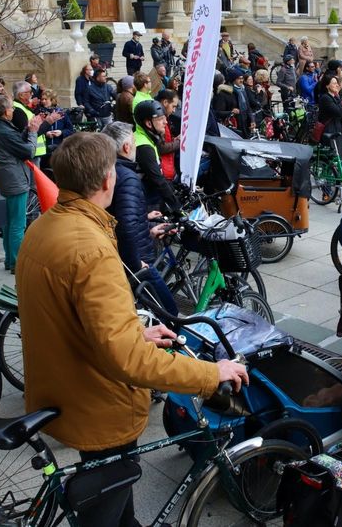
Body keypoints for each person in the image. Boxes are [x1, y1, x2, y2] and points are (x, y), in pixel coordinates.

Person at [18, 132, 249, 527]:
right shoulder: (90, 248)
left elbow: (71, 318)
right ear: (107, 180)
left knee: (114, 497)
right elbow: (127, 360)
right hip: (98, 402)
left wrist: (133, 332)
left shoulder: (46, 226)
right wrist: (211, 375)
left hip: (67, 387)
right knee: (105, 502)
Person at [102, 122, 179, 315]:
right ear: (126, 147)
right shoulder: (127, 177)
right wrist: (137, 263)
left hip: (121, 257)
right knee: (169, 313)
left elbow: (117, 217)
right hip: (135, 261)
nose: (135, 146)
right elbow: (126, 226)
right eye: (134, 142)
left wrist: (145, 221)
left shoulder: (113, 170)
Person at [0, 95, 41, 272]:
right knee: (18, 224)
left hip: (5, 179)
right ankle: (18, 263)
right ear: (4, 112)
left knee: (9, 223)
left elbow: (15, 143)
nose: (13, 111)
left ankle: (11, 260)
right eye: (11, 108)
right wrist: (33, 132)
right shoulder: (3, 130)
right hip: (14, 181)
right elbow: (28, 151)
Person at [133, 99, 182, 215]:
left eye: (165, 117)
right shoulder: (143, 146)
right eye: (160, 119)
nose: (165, 122)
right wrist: (177, 206)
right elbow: (157, 179)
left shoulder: (146, 136)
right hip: (147, 198)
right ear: (149, 124)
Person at [13, 80, 63, 166]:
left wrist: (40, 120)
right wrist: (49, 121)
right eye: (30, 92)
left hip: (34, 152)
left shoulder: (22, 107)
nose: (32, 94)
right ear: (21, 95)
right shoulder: (18, 110)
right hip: (31, 153)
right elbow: (30, 133)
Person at [36, 89, 74, 168]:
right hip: (44, 151)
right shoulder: (39, 113)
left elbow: (70, 130)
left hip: (58, 150)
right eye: (42, 99)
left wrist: (61, 132)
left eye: (46, 99)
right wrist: (46, 134)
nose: (43, 101)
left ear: (52, 100)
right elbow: (34, 130)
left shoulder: (61, 113)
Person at [154, 89, 181, 180]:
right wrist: (179, 142)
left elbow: (164, 140)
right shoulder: (157, 120)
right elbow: (161, 147)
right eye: (173, 106)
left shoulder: (161, 117)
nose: (174, 110)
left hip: (167, 168)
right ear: (165, 102)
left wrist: (174, 139)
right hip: (164, 172)